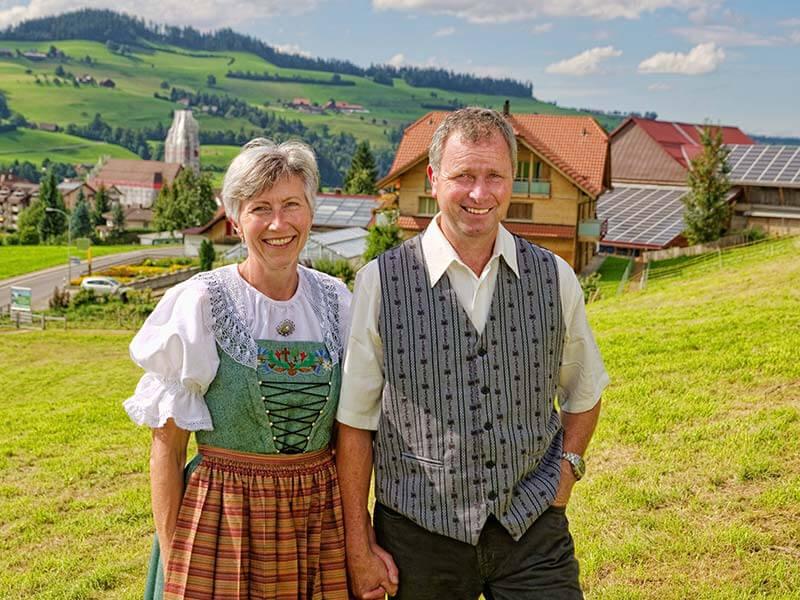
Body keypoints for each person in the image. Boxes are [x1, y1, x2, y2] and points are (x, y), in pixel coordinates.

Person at [335, 107, 610, 600]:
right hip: (417, 536)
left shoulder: (555, 277)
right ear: (435, 178)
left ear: (511, 182)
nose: (480, 194)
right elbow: (356, 423)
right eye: (464, 176)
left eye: (494, 177)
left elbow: (584, 393)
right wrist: (358, 543)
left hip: (532, 532)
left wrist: (565, 476)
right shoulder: (380, 282)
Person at [124, 138, 352, 600]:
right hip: (221, 522)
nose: (278, 223)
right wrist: (175, 560)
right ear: (234, 218)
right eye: (259, 208)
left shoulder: (337, 301)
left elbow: (352, 435)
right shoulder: (201, 303)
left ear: (311, 211)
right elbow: (166, 449)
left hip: (316, 518)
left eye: (292, 205)